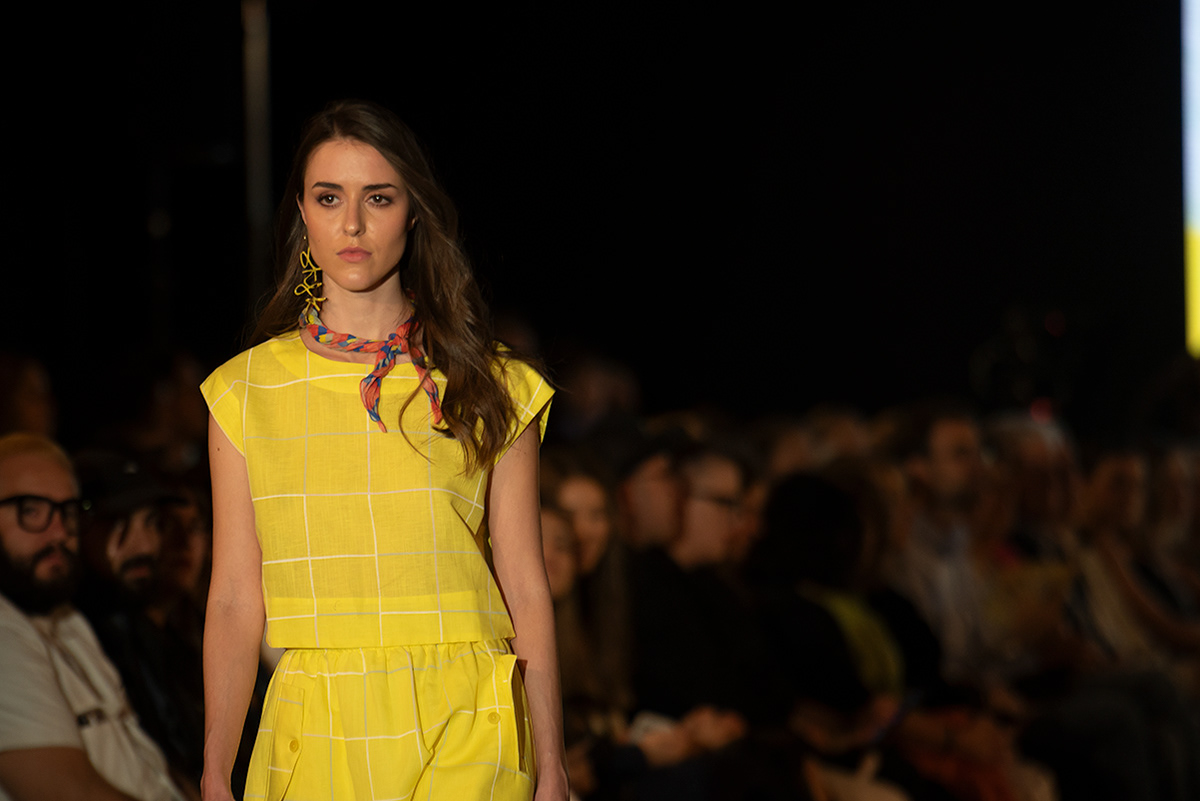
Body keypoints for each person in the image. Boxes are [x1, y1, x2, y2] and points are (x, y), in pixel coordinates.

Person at [199, 101, 566, 801]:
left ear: (413, 211)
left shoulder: (491, 383)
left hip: (471, 710)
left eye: (378, 197)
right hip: (316, 715)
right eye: (328, 197)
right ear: (302, 213)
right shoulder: (245, 391)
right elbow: (236, 597)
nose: (352, 224)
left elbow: (523, 581)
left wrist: (553, 761)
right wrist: (216, 768)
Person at [0, 433, 187, 801]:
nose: (59, 533)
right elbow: (65, 791)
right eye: (31, 511)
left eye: (69, 512)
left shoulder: (67, 621)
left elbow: (146, 765)